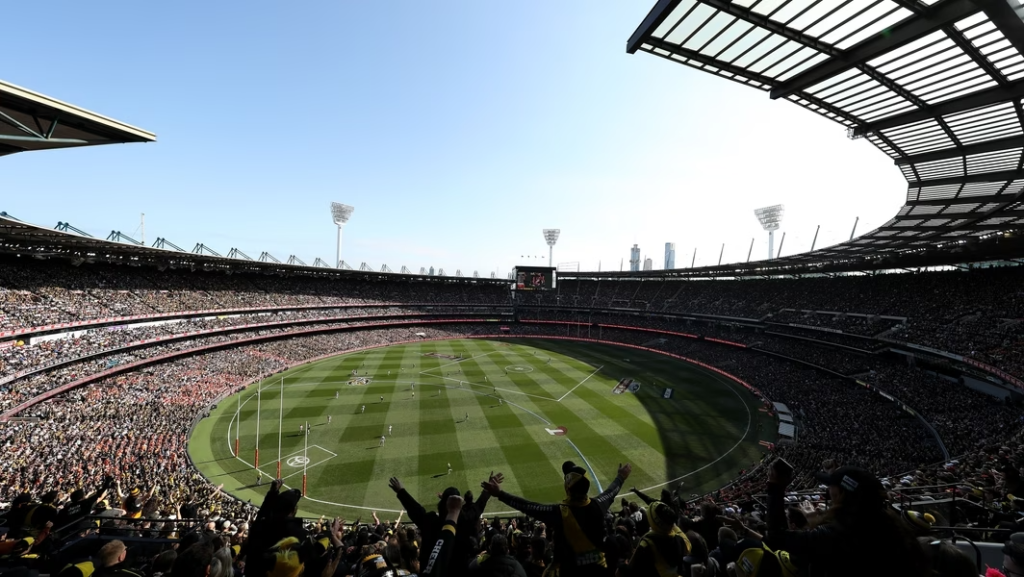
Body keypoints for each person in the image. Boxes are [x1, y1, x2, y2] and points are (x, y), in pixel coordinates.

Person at [761, 461, 927, 577]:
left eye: (831, 486)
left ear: (841, 493)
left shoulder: (838, 534)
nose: (828, 490)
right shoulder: (893, 528)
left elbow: (777, 537)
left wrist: (775, 486)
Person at [482, 462, 631, 575]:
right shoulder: (599, 504)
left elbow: (528, 506)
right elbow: (612, 491)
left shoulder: (561, 513)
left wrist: (500, 494)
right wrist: (621, 477)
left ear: (568, 487)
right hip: (600, 570)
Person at [625, 501, 691, 576]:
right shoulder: (680, 539)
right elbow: (688, 546)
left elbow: (630, 569)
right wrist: (671, 523)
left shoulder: (647, 543)